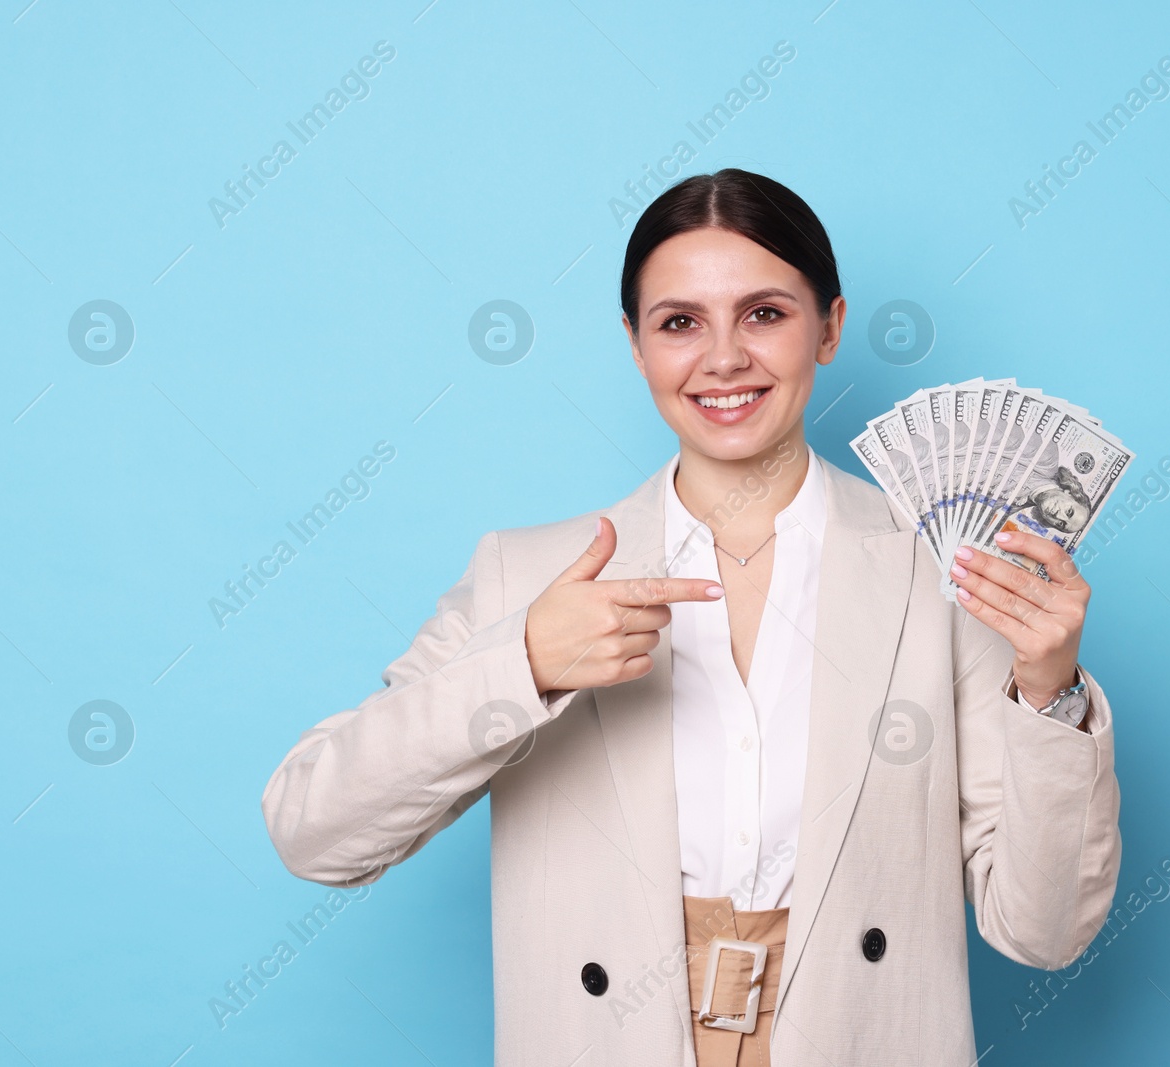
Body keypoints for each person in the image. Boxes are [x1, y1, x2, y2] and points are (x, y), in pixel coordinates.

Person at [261, 168, 1122, 1066]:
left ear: (828, 327)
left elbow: (1043, 932)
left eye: (764, 314)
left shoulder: (941, 570)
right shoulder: (527, 574)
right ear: (635, 346)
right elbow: (313, 830)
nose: (723, 359)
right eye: (679, 322)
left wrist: (1049, 693)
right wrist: (525, 663)